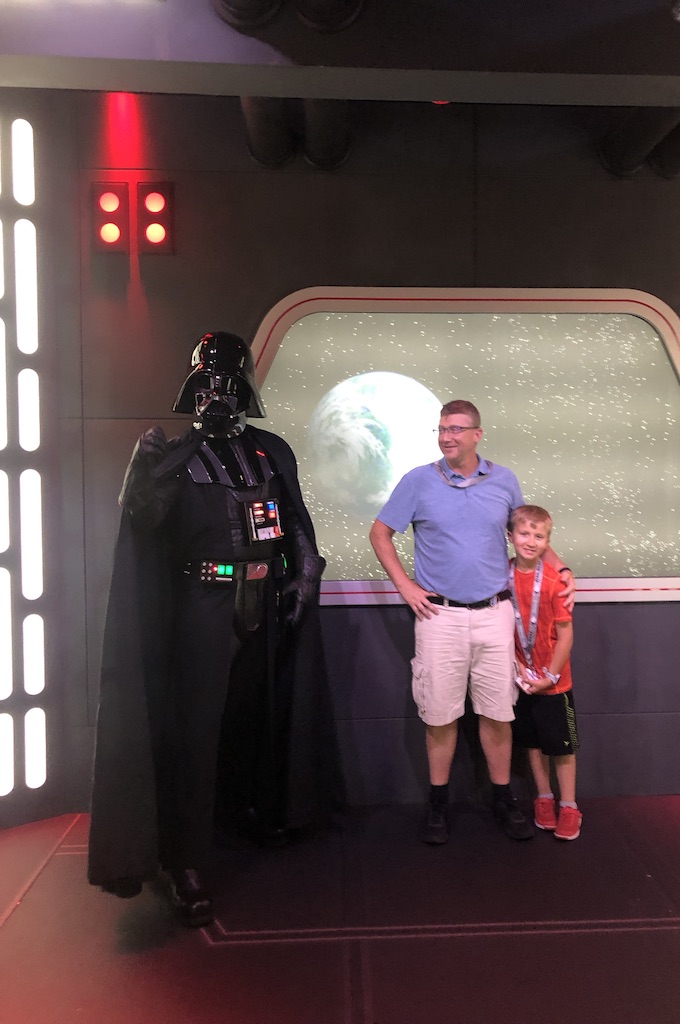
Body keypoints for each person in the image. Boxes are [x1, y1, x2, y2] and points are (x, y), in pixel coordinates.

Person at [88, 331, 342, 926]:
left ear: (245, 388)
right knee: (195, 734)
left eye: (227, 385)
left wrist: (306, 571)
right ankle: (185, 858)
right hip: (202, 605)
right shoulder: (176, 459)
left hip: (266, 601)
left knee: (258, 717)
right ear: (192, 390)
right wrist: (141, 478)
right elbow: (145, 523)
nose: (216, 397)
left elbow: (293, 519)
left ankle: (257, 809)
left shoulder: (270, 452)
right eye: (206, 386)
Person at [369, 399, 575, 845]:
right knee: (440, 715)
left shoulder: (504, 480)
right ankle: (438, 803)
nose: (447, 437)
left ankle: (503, 800)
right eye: (442, 429)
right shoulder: (418, 480)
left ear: (477, 435)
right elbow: (380, 533)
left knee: (498, 713)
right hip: (438, 616)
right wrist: (405, 586)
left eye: (456, 429)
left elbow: (529, 534)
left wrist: (560, 570)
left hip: (495, 615)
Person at [507, 504, 581, 840]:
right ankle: (544, 797)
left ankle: (569, 805)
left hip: (555, 683)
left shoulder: (554, 582)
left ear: (548, 542)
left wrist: (550, 676)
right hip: (523, 679)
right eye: (524, 533)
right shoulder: (501, 577)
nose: (530, 541)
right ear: (511, 536)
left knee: (562, 747)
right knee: (532, 743)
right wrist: (519, 669)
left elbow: (566, 637)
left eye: (539, 536)